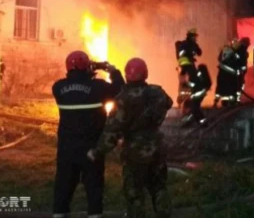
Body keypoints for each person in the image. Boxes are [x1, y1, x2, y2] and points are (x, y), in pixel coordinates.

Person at [87, 58, 173, 218]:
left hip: (134, 152)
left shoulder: (122, 99)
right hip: (157, 147)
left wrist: (97, 151)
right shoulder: (157, 92)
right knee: (159, 187)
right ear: (145, 74)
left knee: (134, 192)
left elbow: (113, 130)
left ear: (127, 75)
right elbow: (168, 102)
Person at [52, 50, 124, 218]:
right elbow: (120, 89)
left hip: (66, 150)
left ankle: (59, 214)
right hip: (92, 150)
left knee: (63, 188)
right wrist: (112, 70)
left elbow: (75, 89)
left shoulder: (58, 88)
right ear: (86, 66)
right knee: (94, 188)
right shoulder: (99, 87)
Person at [175, 28, 207, 125]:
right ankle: (185, 101)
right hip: (185, 65)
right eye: (194, 36)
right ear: (190, 36)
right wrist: (189, 53)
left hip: (189, 65)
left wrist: (196, 48)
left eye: (195, 36)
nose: (195, 38)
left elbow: (199, 53)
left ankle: (188, 101)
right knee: (188, 83)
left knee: (190, 83)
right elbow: (181, 55)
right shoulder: (184, 44)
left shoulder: (193, 44)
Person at [213, 39, 243, 108]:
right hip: (230, 74)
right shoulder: (234, 54)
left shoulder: (225, 50)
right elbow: (237, 63)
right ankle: (231, 102)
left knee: (221, 87)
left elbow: (219, 59)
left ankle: (217, 101)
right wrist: (238, 71)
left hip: (221, 72)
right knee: (231, 88)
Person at [235, 37, 250, 103]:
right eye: (247, 44)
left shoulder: (241, 49)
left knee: (240, 84)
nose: (248, 45)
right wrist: (242, 69)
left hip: (239, 71)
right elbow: (241, 61)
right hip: (239, 71)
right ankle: (236, 99)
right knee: (239, 84)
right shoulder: (241, 50)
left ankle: (237, 98)